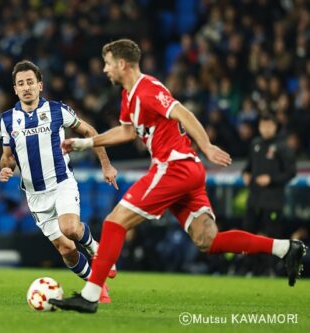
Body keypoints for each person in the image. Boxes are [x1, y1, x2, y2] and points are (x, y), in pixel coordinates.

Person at [49, 39, 307, 313]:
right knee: (208, 240)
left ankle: (90, 295)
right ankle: (286, 249)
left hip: (174, 167)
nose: (104, 69)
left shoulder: (149, 90)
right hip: (186, 171)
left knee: (114, 222)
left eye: (108, 63)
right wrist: (88, 143)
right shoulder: (129, 95)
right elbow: (126, 131)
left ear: (121, 64)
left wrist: (206, 146)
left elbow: (183, 112)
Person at [0, 60, 118, 303]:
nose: (26, 87)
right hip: (35, 196)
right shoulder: (7, 120)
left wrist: (106, 164)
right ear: (15, 89)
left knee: (70, 228)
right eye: (21, 84)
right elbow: (8, 157)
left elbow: (90, 132)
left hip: (62, 183)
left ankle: (97, 248)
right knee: (66, 249)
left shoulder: (56, 110)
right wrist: (6, 169)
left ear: (40, 85)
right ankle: (97, 283)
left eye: (30, 82)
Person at [243, 113, 296, 238]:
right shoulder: (255, 144)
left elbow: (291, 172)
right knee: (247, 236)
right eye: (263, 125)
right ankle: (249, 259)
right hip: (254, 199)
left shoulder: (283, 146)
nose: (266, 129)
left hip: (273, 201)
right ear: (259, 127)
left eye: (269, 125)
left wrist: (271, 179)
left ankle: (272, 259)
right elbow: (248, 166)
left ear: (275, 127)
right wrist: (245, 174)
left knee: (271, 238)